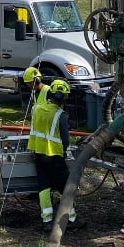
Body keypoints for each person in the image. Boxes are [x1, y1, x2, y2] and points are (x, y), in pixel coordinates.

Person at [27, 79, 81, 232]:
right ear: (62, 97)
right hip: (55, 156)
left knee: (43, 187)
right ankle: (70, 219)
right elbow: (65, 140)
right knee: (66, 188)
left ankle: (47, 220)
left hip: (38, 154)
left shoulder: (36, 108)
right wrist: (64, 150)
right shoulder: (60, 115)